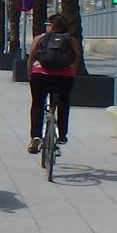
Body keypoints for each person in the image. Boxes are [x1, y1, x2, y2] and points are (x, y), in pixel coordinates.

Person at [27, 13, 80, 153]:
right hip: (64, 78)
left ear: (52, 26)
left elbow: (32, 56)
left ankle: (36, 136)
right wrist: (71, 74)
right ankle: (62, 135)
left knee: (37, 104)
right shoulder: (71, 40)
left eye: (48, 24)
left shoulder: (40, 38)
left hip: (40, 76)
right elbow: (75, 59)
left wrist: (30, 73)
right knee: (63, 102)